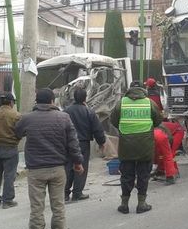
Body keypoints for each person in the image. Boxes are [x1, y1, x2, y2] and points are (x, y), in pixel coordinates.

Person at [15, 88, 84, 229]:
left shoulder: (27, 118)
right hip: (57, 169)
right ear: (53, 101)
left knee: (37, 207)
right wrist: (78, 163)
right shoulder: (64, 117)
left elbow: (16, 132)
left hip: (36, 171)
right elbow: (73, 144)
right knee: (58, 205)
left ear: (37, 102)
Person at [111, 81, 162, 214]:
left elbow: (114, 120)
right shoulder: (149, 103)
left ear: (129, 89)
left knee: (127, 174)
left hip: (126, 145)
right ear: (142, 89)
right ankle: (141, 204)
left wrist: (126, 129)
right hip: (145, 145)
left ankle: (124, 204)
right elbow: (158, 120)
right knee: (143, 174)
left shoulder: (121, 103)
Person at [64, 88, 106, 201]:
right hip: (82, 143)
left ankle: (65, 193)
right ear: (85, 98)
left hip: (67, 143)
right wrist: (101, 142)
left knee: (68, 167)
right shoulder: (89, 112)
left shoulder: (66, 111)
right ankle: (77, 193)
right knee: (81, 167)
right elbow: (97, 129)